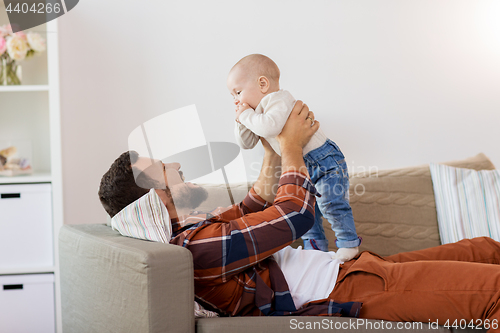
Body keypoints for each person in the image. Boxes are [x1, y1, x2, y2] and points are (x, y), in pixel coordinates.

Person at [99, 102, 500, 327]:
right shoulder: (195, 248)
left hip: (352, 271)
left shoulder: (196, 230)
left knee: (485, 248)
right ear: (158, 196)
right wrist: (293, 145)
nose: (178, 167)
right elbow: (294, 214)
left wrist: (272, 148)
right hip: (349, 290)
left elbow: (255, 204)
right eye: (167, 169)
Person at [227, 54, 360, 260]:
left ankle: (348, 244)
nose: (236, 99)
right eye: (233, 96)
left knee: (331, 204)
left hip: (324, 160)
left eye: (238, 92)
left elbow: (270, 126)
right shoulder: (256, 115)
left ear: (262, 84)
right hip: (302, 166)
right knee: (306, 212)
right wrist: (240, 121)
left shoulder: (278, 99)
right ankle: (315, 249)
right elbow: (247, 143)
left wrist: (246, 116)